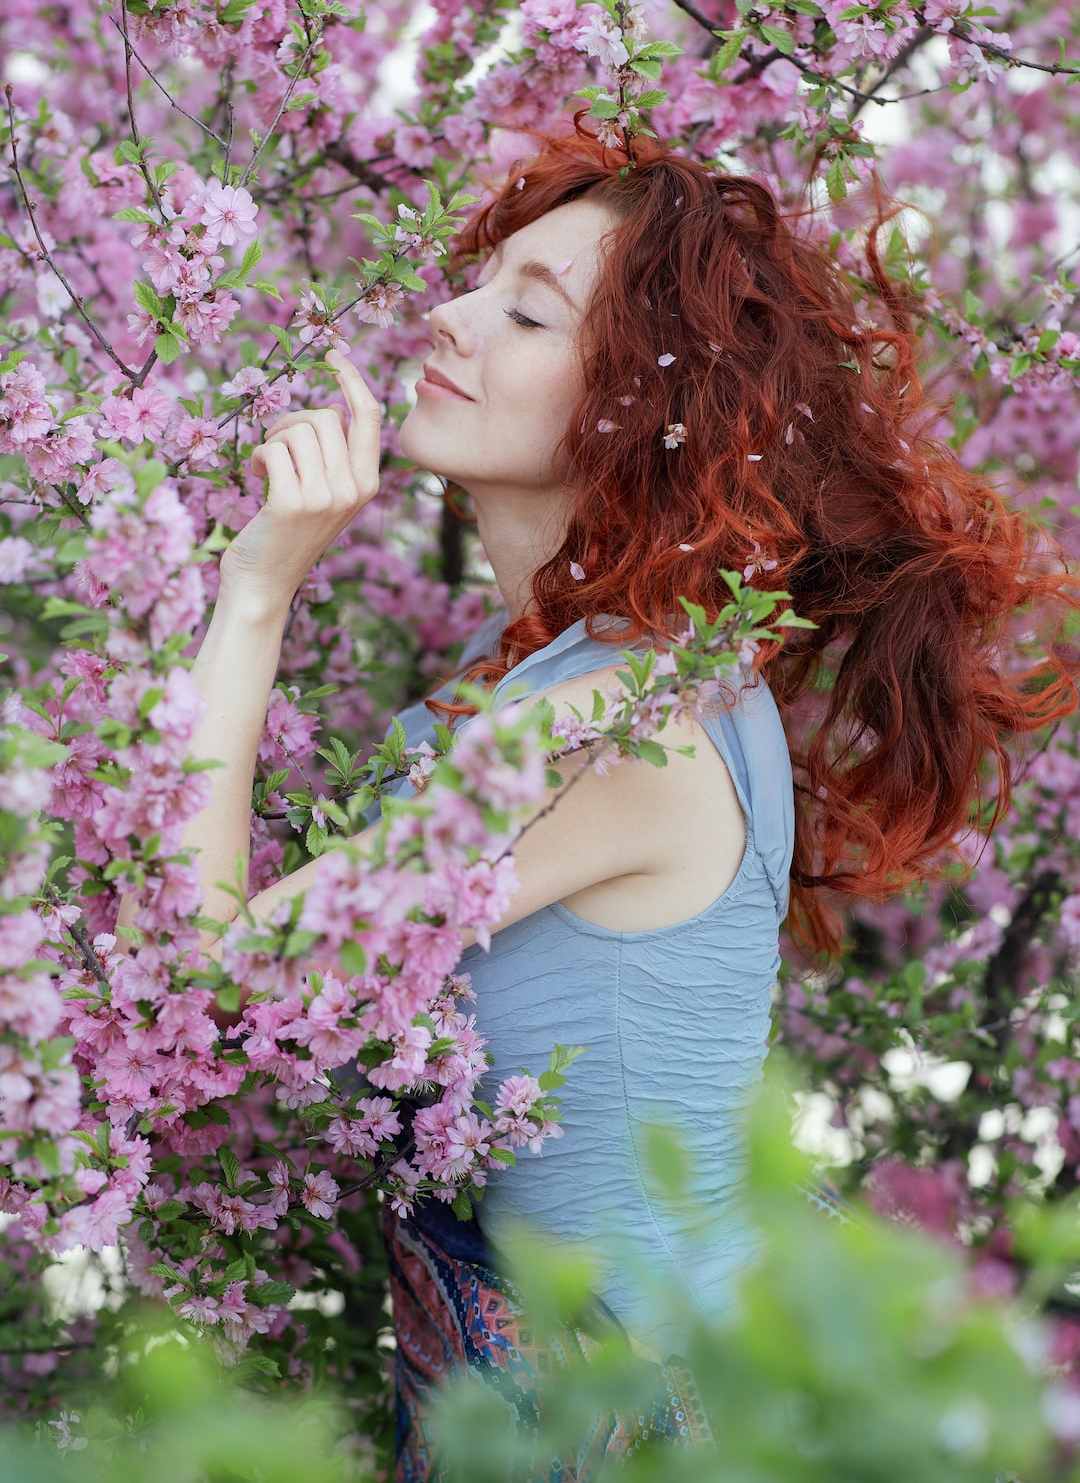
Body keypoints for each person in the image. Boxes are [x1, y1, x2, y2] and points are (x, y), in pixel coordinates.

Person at [160, 124, 1074, 1479]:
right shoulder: (591, 684)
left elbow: (216, 989)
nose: (451, 320)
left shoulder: (620, 723)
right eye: (481, 280)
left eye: (527, 311)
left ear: (639, 409)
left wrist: (253, 595)